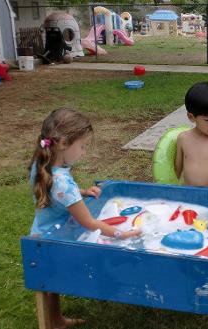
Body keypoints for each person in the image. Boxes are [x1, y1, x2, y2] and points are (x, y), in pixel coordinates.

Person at [28, 108, 141, 328]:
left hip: (41, 233)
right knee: (56, 280)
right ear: (62, 144)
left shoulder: (41, 164)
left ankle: (56, 320)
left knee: (50, 284)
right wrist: (123, 233)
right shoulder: (63, 183)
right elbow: (90, 223)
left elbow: (57, 191)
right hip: (58, 238)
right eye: (82, 146)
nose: (84, 152)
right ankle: (54, 321)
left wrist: (82, 193)